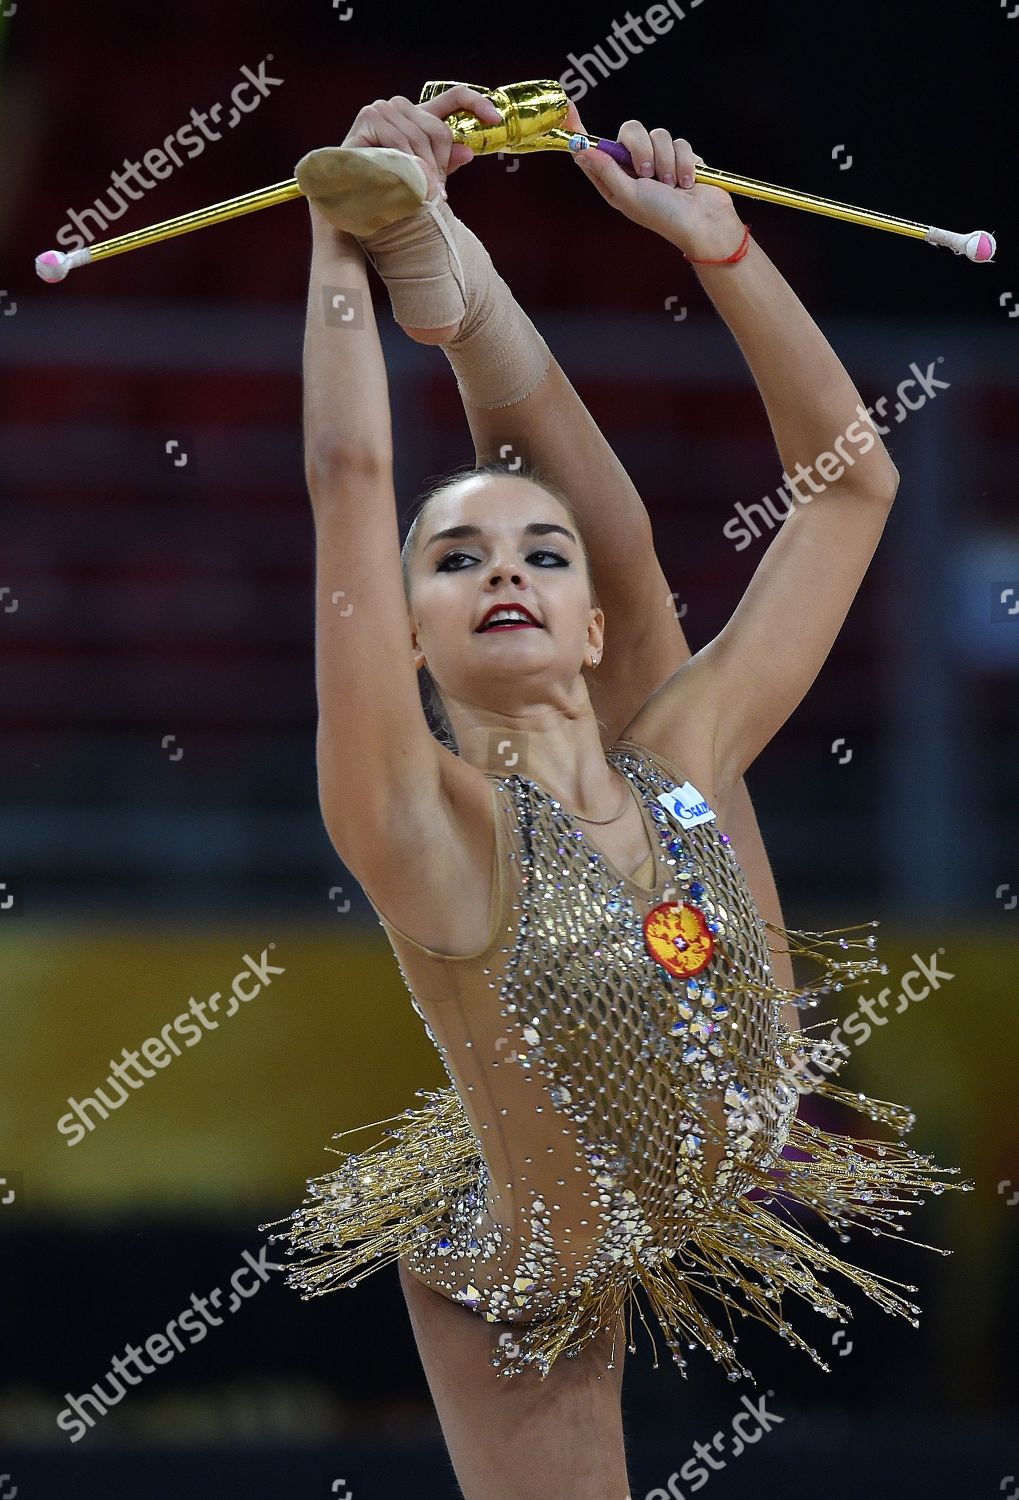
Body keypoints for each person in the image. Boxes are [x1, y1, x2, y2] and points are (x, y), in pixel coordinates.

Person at [262, 87, 969, 1500]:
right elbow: (350, 475)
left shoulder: (683, 764)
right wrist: (344, 228)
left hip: (729, 1131)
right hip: (534, 1270)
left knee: (646, 608)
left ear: (574, 623)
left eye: (536, 558)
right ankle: (442, 272)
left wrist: (720, 248)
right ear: (405, 635)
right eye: (456, 566)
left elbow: (850, 490)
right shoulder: (430, 832)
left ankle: (461, 284)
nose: (505, 571)